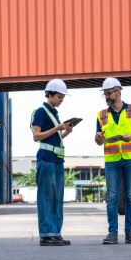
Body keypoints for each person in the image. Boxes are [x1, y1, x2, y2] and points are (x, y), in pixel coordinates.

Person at [94, 78, 131, 245]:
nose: (107, 96)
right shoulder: (101, 115)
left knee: (130, 196)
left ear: (118, 92)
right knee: (112, 197)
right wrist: (98, 139)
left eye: (109, 93)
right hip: (112, 160)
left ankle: (130, 232)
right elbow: (99, 141)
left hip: (130, 159)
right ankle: (112, 233)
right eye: (105, 94)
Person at [31, 79, 74, 247]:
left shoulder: (54, 113)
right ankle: (46, 235)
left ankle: (55, 233)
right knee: (46, 198)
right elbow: (36, 136)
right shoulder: (40, 112)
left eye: (63, 98)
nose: (61, 100)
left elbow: (54, 140)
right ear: (49, 94)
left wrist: (66, 133)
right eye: (59, 97)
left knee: (57, 198)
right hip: (46, 160)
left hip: (56, 161)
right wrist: (57, 128)